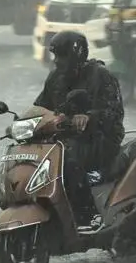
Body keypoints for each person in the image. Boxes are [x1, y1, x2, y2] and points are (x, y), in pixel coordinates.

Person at [31, 31, 126, 230]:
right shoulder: (55, 78)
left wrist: (89, 117)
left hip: (100, 137)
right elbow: (41, 106)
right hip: (65, 136)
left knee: (68, 159)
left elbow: (114, 111)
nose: (56, 61)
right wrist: (28, 121)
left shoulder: (100, 75)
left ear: (76, 55)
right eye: (55, 55)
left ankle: (88, 214)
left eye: (62, 56)